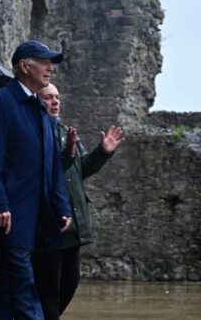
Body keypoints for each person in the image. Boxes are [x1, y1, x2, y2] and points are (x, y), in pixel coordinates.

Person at [0, 40, 72, 320]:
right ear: (24, 66)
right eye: (44, 61)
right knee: (25, 288)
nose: (50, 67)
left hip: (37, 218)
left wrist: (61, 206)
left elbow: (51, 166)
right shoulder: (0, 102)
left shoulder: (41, 111)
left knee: (4, 292)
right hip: (11, 215)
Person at [32, 84, 124, 319]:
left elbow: (81, 169)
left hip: (74, 222)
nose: (55, 102)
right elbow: (43, 171)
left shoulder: (64, 131)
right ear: (36, 101)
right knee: (48, 288)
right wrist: (68, 153)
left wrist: (103, 152)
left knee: (70, 282)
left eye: (57, 97)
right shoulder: (33, 132)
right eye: (48, 98)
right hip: (49, 222)